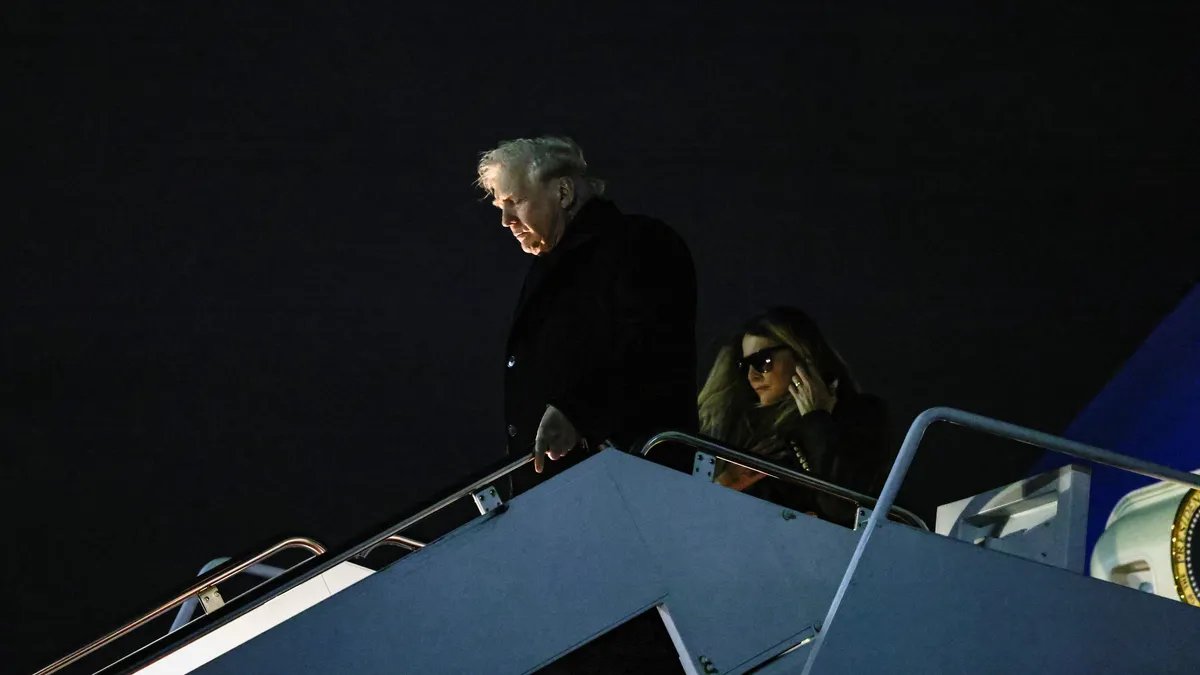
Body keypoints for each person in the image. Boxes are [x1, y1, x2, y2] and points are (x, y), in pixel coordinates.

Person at [477, 136, 697, 496]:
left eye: (515, 201)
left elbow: (656, 351)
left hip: (628, 485)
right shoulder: (550, 267)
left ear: (563, 193)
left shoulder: (640, 244)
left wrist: (579, 412)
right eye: (500, 206)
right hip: (567, 490)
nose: (505, 220)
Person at [697, 306, 891, 526]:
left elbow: (842, 506)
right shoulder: (749, 429)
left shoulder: (859, 412)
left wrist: (816, 417)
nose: (753, 376)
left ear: (802, 354)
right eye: (745, 366)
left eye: (764, 361)